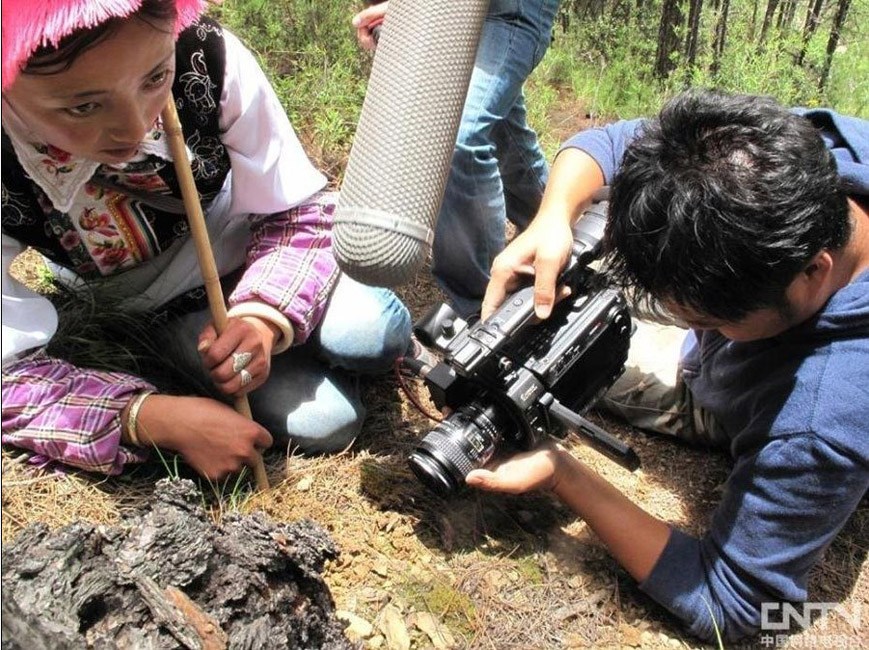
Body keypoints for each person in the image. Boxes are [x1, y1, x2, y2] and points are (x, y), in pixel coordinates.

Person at [470, 89, 869, 641]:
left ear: (812, 273)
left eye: (707, 320)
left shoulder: (820, 419)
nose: (693, 329)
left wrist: (566, 475)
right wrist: (554, 216)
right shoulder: (798, 150)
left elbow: (746, 613)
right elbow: (607, 143)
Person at [1, 0, 411, 480]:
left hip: (254, 243)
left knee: (371, 335)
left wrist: (262, 318)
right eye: (83, 105)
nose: (134, 127)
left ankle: (371, 344)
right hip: (156, 306)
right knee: (326, 422)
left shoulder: (204, 56)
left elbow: (297, 210)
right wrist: (148, 418)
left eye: (155, 79)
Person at [353, 0, 561, 317]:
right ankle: (554, 226)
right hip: (449, 11)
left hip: (511, 9)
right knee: (504, 132)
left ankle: (487, 307)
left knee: (454, 139)